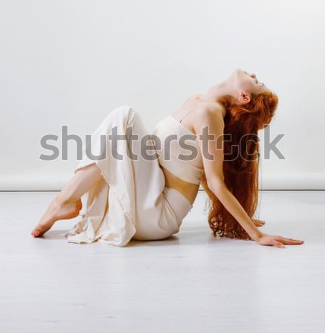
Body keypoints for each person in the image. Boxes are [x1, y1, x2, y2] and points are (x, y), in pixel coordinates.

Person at [31, 68, 304, 249]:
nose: (253, 74)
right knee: (124, 126)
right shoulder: (198, 101)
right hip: (149, 196)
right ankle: (64, 202)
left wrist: (256, 236)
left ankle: (63, 201)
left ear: (243, 96)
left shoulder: (210, 113)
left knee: (123, 116)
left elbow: (215, 180)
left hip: (159, 213)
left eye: (257, 82)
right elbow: (189, 166)